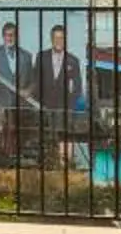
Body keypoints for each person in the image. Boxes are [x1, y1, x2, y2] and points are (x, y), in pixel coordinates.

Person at [34, 23, 87, 162]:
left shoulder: (73, 61)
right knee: (46, 140)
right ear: (51, 39)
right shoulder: (41, 57)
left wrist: (68, 106)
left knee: (64, 139)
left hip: (64, 110)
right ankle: (48, 163)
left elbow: (78, 88)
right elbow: (35, 81)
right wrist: (39, 104)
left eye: (61, 38)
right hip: (44, 109)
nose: (59, 41)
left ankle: (65, 164)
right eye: (56, 38)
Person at [0, 21, 29, 163]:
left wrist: (27, 91)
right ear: (3, 37)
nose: (9, 38)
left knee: (17, 131)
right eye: (7, 35)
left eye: (12, 35)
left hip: (20, 105)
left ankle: (16, 156)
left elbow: (30, 81)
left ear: (17, 36)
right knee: (1, 131)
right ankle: (1, 158)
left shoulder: (26, 56)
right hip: (1, 102)